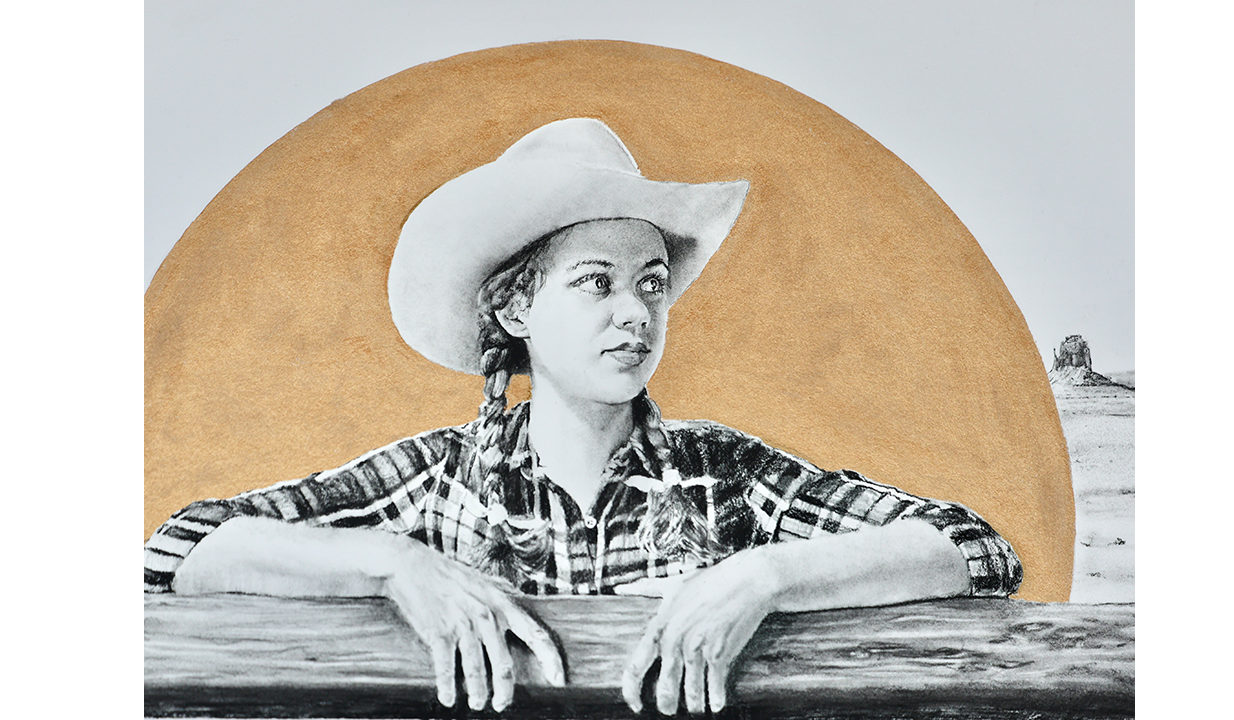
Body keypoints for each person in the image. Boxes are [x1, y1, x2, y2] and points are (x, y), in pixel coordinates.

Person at [144, 118, 1022, 716]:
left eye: (651, 285)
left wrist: (763, 577)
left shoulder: (724, 476)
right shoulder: (438, 479)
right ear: (516, 309)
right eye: (596, 282)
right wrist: (393, 564)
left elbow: (976, 551)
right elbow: (179, 550)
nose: (636, 313)